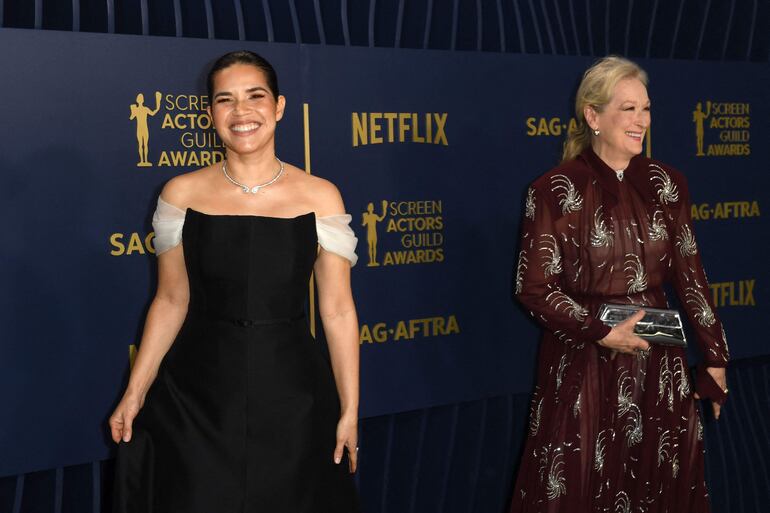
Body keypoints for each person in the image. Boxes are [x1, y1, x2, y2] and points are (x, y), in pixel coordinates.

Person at [109, 51, 361, 513]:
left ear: (279, 107)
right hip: (196, 397)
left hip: (293, 396)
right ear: (211, 113)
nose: (241, 111)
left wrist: (349, 409)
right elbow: (170, 300)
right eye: (225, 99)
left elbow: (338, 310)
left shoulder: (320, 195)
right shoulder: (180, 193)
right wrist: (135, 390)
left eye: (255, 96)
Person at [510, 56, 729, 513]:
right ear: (593, 116)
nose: (641, 121)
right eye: (628, 109)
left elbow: (691, 275)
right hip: (584, 362)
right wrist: (602, 332)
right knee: (579, 485)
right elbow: (534, 288)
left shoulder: (668, 184)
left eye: (645, 109)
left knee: (660, 484)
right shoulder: (554, 190)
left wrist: (715, 357)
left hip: (658, 365)